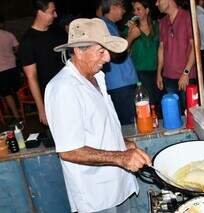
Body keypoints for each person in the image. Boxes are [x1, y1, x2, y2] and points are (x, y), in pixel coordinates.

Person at [45, 18, 151, 213]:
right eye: (101, 51)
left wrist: (122, 142)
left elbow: (98, 127)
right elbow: (69, 150)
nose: (108, 58)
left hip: (120, 185)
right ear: (78, 51)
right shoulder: (64, 88)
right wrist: (121, 157)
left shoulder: (97, 77)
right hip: (97, 196)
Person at [19, 0, 67, 125]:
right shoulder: (27, 42)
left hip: (73, 91)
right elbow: (31, 77)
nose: (56, 15)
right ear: (40, 12)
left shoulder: (58, 31)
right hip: (52, 98)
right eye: (52, 12)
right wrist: (41, 109)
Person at [99, 0, 139, 125]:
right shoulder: (103, 26)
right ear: (113, 7)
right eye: (122, 7)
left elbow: (124, 53)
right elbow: (114, 54)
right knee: (129, 125)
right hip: (120, 85)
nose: (124, 10)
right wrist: (131, 37)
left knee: (131, 121)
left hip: (124, 83)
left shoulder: (111, 25)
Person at [155, 0, 196, 112]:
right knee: (173, 114)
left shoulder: (187, 17)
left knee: (189, 113)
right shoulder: (163, 22)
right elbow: (161, 48)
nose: (156, 4)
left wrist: (186, 72)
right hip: (168, 77)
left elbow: (195, 47)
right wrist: (159, 73)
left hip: (186, 76)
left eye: (158, 0)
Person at [125, 0, 161, 109]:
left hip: (158, 72)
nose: (135, 12)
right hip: (140, 73)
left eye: (139, 9)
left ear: (147, 10)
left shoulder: (157, 26)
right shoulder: (130, 28)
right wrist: (130, 33)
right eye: (134, 10)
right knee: (147, 104)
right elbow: (123, 51)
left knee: (158, 103)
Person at [0, 16, 21, 121]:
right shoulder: (8, 34)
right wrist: (11, 53)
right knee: (17, 90)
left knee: (7, 94)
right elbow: (17, 48)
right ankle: (22, 109)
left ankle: (16, 116)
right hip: (13, 66)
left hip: (1, 70)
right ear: (1, 24)